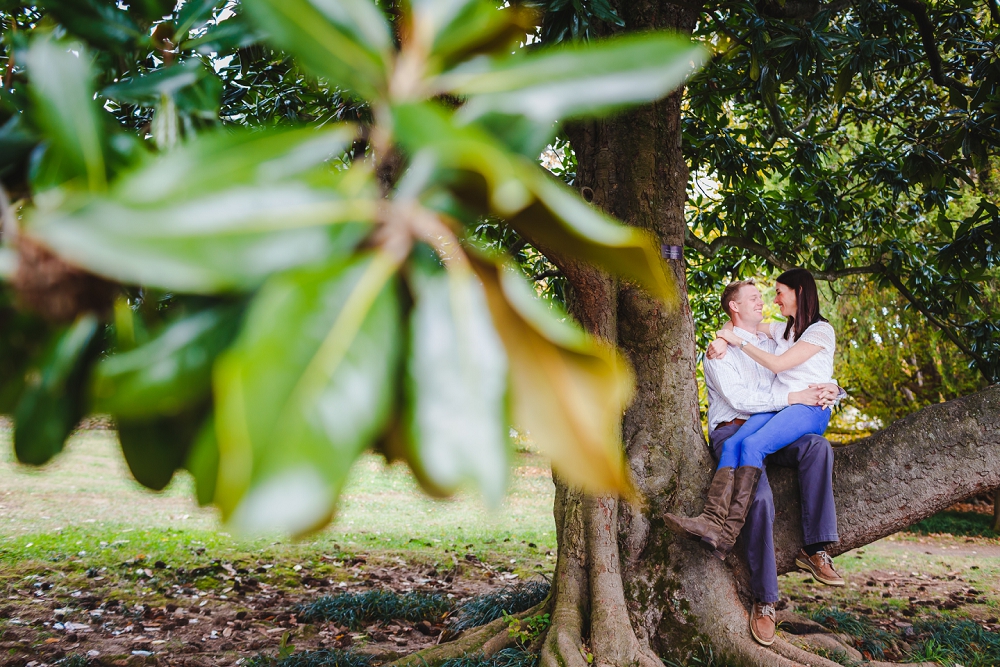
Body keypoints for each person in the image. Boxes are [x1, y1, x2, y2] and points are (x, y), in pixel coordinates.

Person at [664, 274, 845, 646]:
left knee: (818, 447)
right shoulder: (721, 353)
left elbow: (803, 368)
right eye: (755, 298)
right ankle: (765, 600)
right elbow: (748, 400)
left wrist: (834, 388)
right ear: (735, 307)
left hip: (771, 426)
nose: (767, 301)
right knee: (759, 500)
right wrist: (722, 339)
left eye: (773, 295)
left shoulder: (773, 338)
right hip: (736, 428)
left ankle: (818, 547)